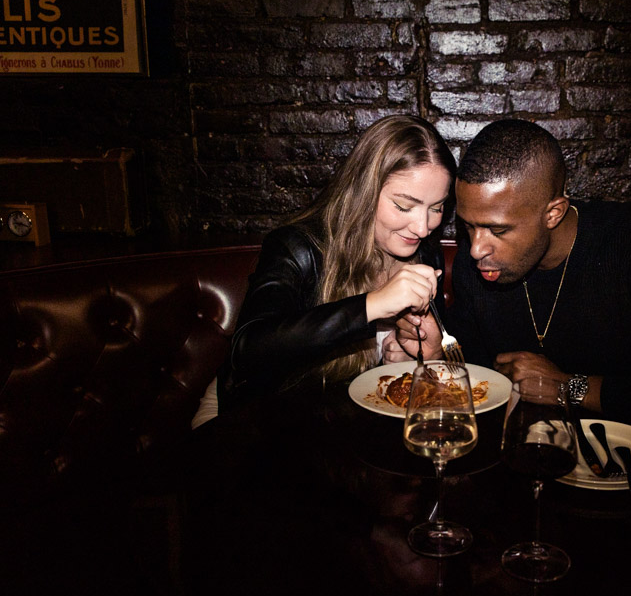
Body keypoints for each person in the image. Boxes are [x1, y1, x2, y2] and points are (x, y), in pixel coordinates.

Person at [404, 119, 631, 442]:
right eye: (468, 226)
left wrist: (571, 388)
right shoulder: (472, 264)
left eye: (498, 229)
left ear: (553, 212)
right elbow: (483, 381)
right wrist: (440, 354)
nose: (476, 248)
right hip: (521, 460)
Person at [194, 114, 456, 423]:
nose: (423, 227)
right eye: (403, 206)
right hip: (252, 412)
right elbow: (248, 351)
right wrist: (372, 305)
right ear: (364, 192)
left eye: (437, 208)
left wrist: (428, 355)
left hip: (336, 418)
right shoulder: (297, 247)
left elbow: (414, 377)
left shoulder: (425, 254)